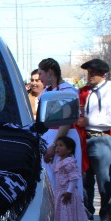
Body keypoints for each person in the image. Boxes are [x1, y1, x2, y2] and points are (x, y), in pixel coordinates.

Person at [78, 58, 111, 221]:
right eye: (89, 73)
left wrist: (89, 121)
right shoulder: (84, 92)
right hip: (84, 138)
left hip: (101, 138)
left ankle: (106, 216)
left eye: (93, 73)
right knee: (85, 179)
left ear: (102, 74)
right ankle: (87, 213)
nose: (90, 76)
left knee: (103, 179)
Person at [38, 57, 82, 196]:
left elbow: (66, 122)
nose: (39, 78)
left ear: (50, 72)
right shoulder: (47, 92)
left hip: (64, 139)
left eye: (41, 73)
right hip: (49, 136)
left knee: (65, 177)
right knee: (49, 179)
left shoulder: (68, 91)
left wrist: (54, 145)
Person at [50, 136, 90, 221]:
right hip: (60, 191)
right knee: (63, 215)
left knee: (66, 215)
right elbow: (55, 171)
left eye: (61, 146)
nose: (57, 148)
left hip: (66, 193)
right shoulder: (59, 160)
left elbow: (74, 178)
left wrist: (69, 192)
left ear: (69, 150)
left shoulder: (69, 162)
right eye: (57, 146)